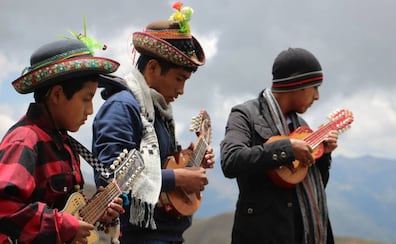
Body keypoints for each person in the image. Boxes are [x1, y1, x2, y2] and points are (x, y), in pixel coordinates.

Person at [92, 2, 215, 244]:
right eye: (179, 79)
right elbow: (109, 178)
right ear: (152, 67)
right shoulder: (122, 107)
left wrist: (191, 159)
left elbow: (159, 164)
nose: (181, 90)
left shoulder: (156, 111)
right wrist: (177, 179)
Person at [0, 38, 125, 243]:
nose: (90, 110)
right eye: (86, 98)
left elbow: (60, 209)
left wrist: (94, 212)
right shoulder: (25, 140)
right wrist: (62, 225)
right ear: (57, 94)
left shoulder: (65, 144)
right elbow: (3, 204)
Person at [220, 47, 339, 244]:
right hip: (262, 235)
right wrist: (287, 149)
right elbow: (231, 161)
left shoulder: (303, 126)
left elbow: (314, 186)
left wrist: (324, 154)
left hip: (302, 234)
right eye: (315, 87)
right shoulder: (244, 115)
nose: (317, 96)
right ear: (298, 84)